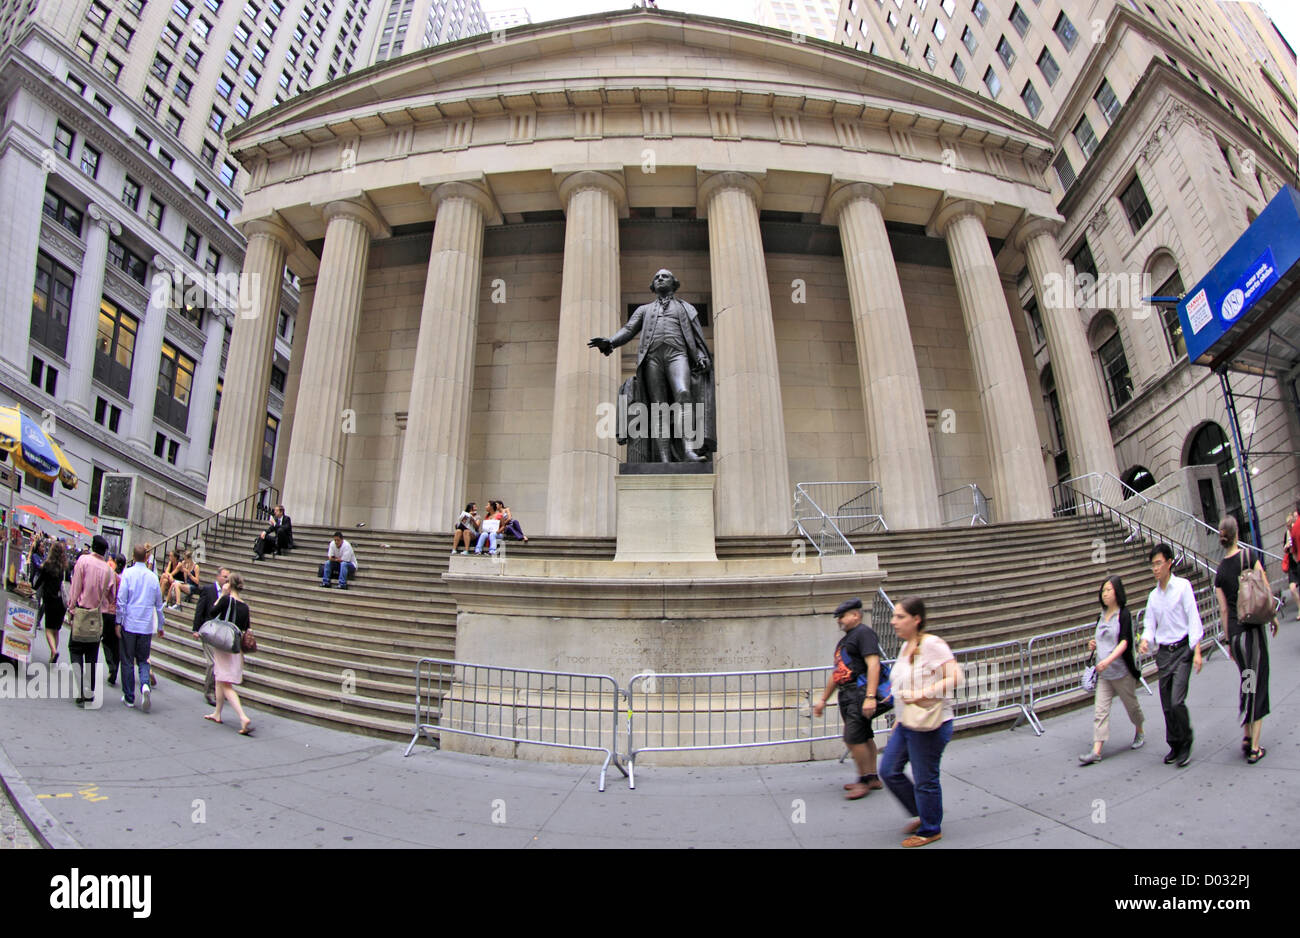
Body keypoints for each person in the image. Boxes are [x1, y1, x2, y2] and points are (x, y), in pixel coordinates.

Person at [588, 269, 715, 463]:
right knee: (659, 406)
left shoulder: (686, 308)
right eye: (656, 277)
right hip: (652, 358)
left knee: (683, 393)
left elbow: (696, 338)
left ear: (674, 283)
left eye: (665, 276)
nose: (660, 278)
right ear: (652, 286)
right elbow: (629, 329)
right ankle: (663, 458)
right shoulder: (644, 310)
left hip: (678, 354)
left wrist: (700, 355)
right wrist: (611, 342)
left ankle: (689, 449)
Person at [878, 597, 960, 848]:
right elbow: (903, 685)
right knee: (889, 770)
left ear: (917, 619)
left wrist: (922, 695)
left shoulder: (932, 644)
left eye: (900, 616)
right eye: (894, 616)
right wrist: (899, 716)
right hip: (907, 722)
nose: (894, 621)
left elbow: (955, 676)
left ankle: (930, 828)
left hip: (931, 723)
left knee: (926, 777)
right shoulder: (905, 647)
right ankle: (925, 810)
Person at [1213, 517, 1275, 765]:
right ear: (1237, 532)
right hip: (1253, 634)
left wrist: (1228, 642)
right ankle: (1254, 747)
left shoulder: (1219, 571)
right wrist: (1273, 617)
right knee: (1257, 683)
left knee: (1247, 681)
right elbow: (1265, 587)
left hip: (1237, 637)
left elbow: (1224, 611)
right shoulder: (1249, 557)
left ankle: (1247, 735)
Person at [812, 597, 886, 800]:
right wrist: (823, 700)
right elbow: (837, 673)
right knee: (864, 736)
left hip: (858, 694)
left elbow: (873, 664)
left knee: (852, 738)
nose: (839, 620)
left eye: (842, 616)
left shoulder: (864, 633)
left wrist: (870, 696)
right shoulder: (845, 641)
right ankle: (871, 776)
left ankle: (863, 781)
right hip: (849, 694)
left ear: (856, 615)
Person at [1138, 543, 1204, 768]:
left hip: (1183, 649)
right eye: (1152, 565)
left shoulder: (1183, 587)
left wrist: (1196, 650)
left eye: (1158, 563)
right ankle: (1174, 743)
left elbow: (1193, 617)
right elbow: (1149, 624)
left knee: (1177, 701)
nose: (1155, 569)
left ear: (1169, 563)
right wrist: (1146, 639)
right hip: (1164, 653)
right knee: (1166, 704)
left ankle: (1186, 740)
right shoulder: (1153, 597)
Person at [1078, 576, 1145, 764]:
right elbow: (1100, 638)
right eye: (1103, 590)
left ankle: (1139, 729)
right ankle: (1096, 750)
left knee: (1131, 707)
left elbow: (1125, 642)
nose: (1105, 594)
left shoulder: (1123, 614)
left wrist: (1108, 660)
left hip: (1121, 671)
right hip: (1104, 674)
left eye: (1108, 590)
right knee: (1100, 710)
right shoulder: (1101, 615)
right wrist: (1093, 644)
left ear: (1117, 592)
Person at [66, 535, 117, 708]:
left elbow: (76, 586)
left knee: (75, 648)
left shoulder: (83, 561)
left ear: (93, 547)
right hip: (97, 617)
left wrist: (71, 608)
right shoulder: (109, 570)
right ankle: (89, 690)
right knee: (92, 653)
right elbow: (112, 597)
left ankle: (81, 687)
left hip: (82, 612)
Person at [115, 544, 165, 712]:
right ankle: (145, 684)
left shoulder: (128, 574)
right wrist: (161, 624)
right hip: (145, 625)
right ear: (146, 557)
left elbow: (121, 601)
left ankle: (129, 696)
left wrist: (118, 621)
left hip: (130, 623)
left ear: (133, 557)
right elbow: (159, 604)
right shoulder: (153, 578)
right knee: (143, 659)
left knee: (128, 660)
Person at [204, 571, 254, 735]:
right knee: (220, 677)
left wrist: (222, 595)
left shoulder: (226, 599)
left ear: (230, 585)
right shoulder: (245, 607)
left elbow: (212, 612)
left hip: (224, 645)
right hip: (236, 647)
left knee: (226, 684)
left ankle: (242, 716)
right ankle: (217, 713)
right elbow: (247, 627)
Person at [193, 567, 231, 707]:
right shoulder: (208, 590)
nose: (226, 579)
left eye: (228, 577)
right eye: (224, 576)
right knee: (212, 662)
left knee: (219, 663)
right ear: (218, 577)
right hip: (208, 631)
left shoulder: (228, 594)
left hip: (221, 633)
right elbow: (200, 609)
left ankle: (218, 690)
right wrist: (196, 629)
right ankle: (209, 691)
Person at [32, 541, 68, 665]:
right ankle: (53, 654)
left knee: (48, 629)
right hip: (60, 603)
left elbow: (39, 582)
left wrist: (32, 590)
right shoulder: (62, 567)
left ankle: (53, 650)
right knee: (56, 630)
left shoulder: (47, 565)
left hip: (50, 601)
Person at [1288, 504, 1300, 621]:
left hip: (1298, 561)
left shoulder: (1295, 529)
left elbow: (1294, 550)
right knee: (1292, 588)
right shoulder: (1292, 531)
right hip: (1295, 564)